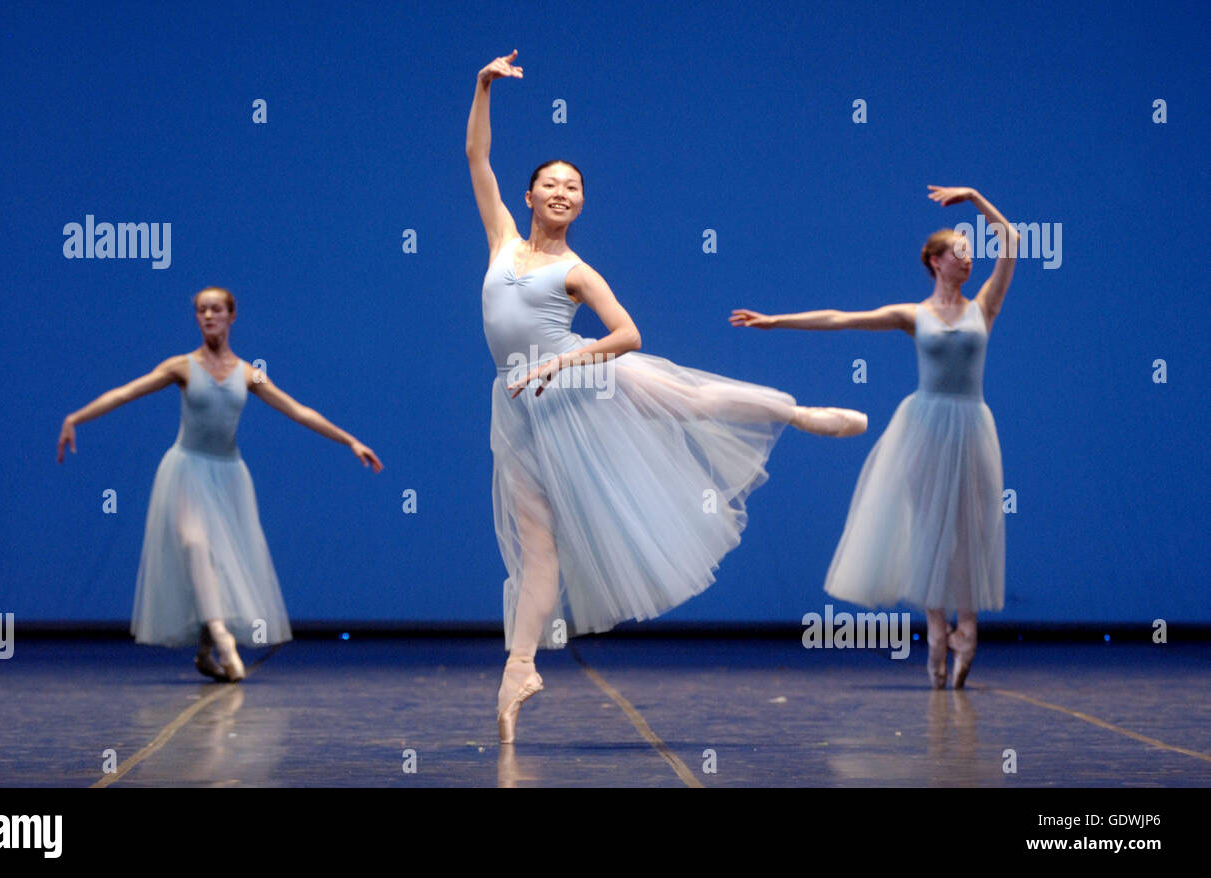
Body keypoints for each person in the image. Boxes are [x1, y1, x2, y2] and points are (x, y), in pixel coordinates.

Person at [468, 51, 869, 741]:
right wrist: (482, 86)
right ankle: (519, 671)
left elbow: (626, 334)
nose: (563, 193)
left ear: (581, 204)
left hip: (582, 382)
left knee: (693, 402)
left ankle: (798, 414)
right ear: (529, 197)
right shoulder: (501, 240)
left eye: (574, 187)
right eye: (551, 184)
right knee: (540, 551)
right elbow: (477, 156)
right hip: (519, 410)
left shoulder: (576, 269)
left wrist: (565, 365)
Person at [731, 185, 1018, 688]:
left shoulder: (984, 307)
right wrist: (778, 322)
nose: (969, 263)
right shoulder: (914, 314)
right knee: (928, 522)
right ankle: (935, 626)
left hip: (972, 424)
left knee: (969, 526)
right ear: (935, 261)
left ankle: (966, 626)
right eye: (960, 254)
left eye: (972, 256)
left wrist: (974, 198)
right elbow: (843, 319)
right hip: (924, 425)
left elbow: (1011, 241)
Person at [58, 287, 382, 681]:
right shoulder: (181, 366)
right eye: (201, 310)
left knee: (220, 561)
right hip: (185, 471)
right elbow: (126, 392)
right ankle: (222, 637)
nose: (208, 316)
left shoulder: (249, 373)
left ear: (232, 316)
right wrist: (76, 417)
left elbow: (297, 410)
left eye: (216, 309)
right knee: (196, 545)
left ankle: (204, 653)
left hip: (229, 476)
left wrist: (350, 440)